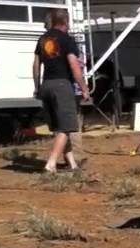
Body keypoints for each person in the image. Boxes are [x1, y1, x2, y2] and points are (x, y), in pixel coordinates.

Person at [33, 9, 89, 173]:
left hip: (46, 85)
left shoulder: (42, 39)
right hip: (62, 86)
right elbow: (73, 66)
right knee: (67, 128)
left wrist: (37, 87)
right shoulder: (67, 39)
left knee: (60, 127)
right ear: (65, 22)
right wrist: (84, 88)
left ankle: (73, 164)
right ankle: (51, 164)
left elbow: (36, 65)